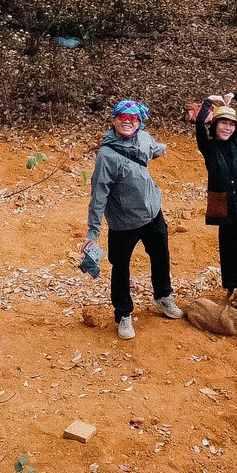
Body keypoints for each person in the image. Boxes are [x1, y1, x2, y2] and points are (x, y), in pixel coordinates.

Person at [83, 98, 184, 340]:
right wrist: (92, 231)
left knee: (161, 256)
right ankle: (123, 314)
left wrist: (161, 148)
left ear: (139, 123)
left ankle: (163, 297)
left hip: (152, 214)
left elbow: (152, 149)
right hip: (123, 223)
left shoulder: (144, 138)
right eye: (123, 118)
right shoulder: (106, 156)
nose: (128, 122)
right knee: (121, 268)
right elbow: (99, 195)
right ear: (114, 120)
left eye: (133, 119)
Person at [193, 90, 237, 305]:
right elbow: (198, 125)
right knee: (230, 247)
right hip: (227, 208)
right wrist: (209, 102)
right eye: (223, 123)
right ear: (215, 125)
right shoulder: (209, 148)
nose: (227, 127)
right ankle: (233, 288)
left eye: (231, 123)